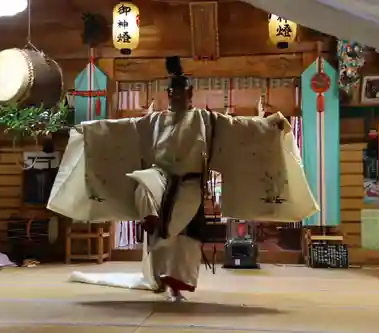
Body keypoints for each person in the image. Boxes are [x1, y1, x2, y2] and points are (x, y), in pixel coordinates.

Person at [51, 56, 319, 301]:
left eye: (182, 92)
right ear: (168, 95)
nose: (177, 97)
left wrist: (268, 125)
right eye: (173, 93)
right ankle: (151, 222)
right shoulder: (154, 120)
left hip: (189, 184)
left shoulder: (206, 119)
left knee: (183, 239)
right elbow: (122, 130)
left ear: (190, 94)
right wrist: (90, 129)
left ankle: (175, 285)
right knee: (143, 187)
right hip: (159, 178)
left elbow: (241, 129)